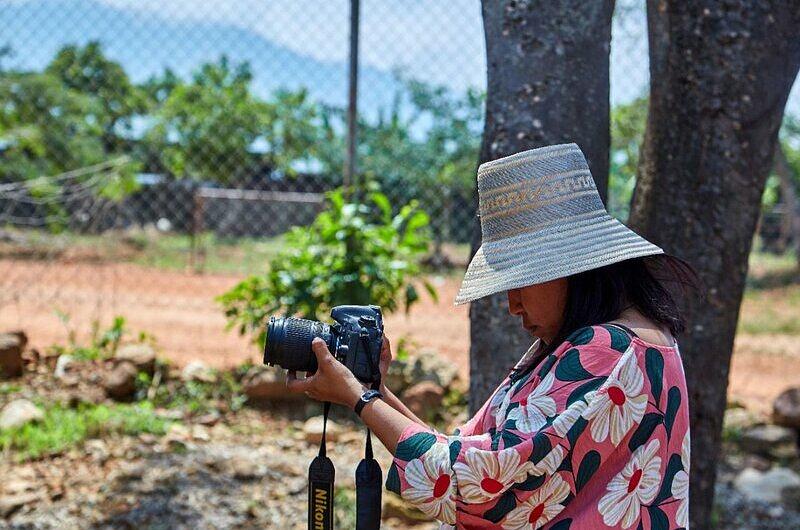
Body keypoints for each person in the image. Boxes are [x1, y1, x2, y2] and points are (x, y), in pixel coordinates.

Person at [287, 143, 696, 529]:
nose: (512, 304)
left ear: (565, 266)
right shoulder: (628, 341)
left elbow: (478, 486)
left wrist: (359, 400)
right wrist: (371, 392)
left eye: (520, 282)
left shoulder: (604, 351)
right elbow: (467, 455)